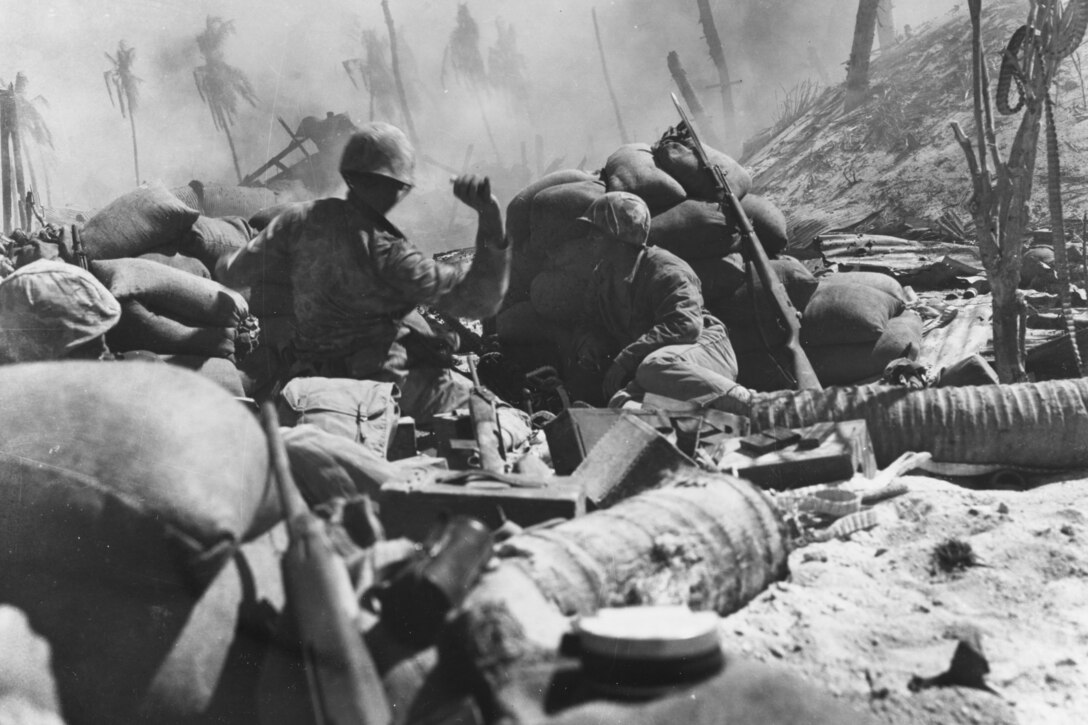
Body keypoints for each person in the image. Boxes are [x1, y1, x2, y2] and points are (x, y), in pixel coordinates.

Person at [217, 122, 514, 422]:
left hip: (309, 382)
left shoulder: (295, 221)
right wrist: (489, 215)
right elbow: (479, 301)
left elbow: (232, 272)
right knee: (501, 420)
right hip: (385, 387)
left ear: (349, 175)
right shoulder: (392, 256)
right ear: (399, 188)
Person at [570, 191, 750, 412]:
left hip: (702, 351)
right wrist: (589, 345)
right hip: (659, 366)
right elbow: (588, 321)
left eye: (596, 231)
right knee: (621, 404)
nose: (589, 238)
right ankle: (705, 423)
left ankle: (756, 405)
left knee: (655, 366)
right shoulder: (603, 276)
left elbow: (685, 326)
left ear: (619, 234)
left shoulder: (665, 268)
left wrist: (625, 359)